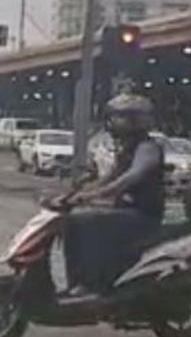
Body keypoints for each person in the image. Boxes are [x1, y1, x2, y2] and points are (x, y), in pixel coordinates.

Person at [62, 94, 165, 294]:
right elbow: (110, 177)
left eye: (119, 118)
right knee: (70, 222)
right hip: (126, 210)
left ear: (134, 120)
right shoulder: (127, 149)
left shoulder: (147, 148)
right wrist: (79, 194)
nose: (113, 123)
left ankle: (90, 283)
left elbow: (132, 177)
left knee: (84, 222)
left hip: (143, 214)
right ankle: (76, 282)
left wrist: (96, 195)